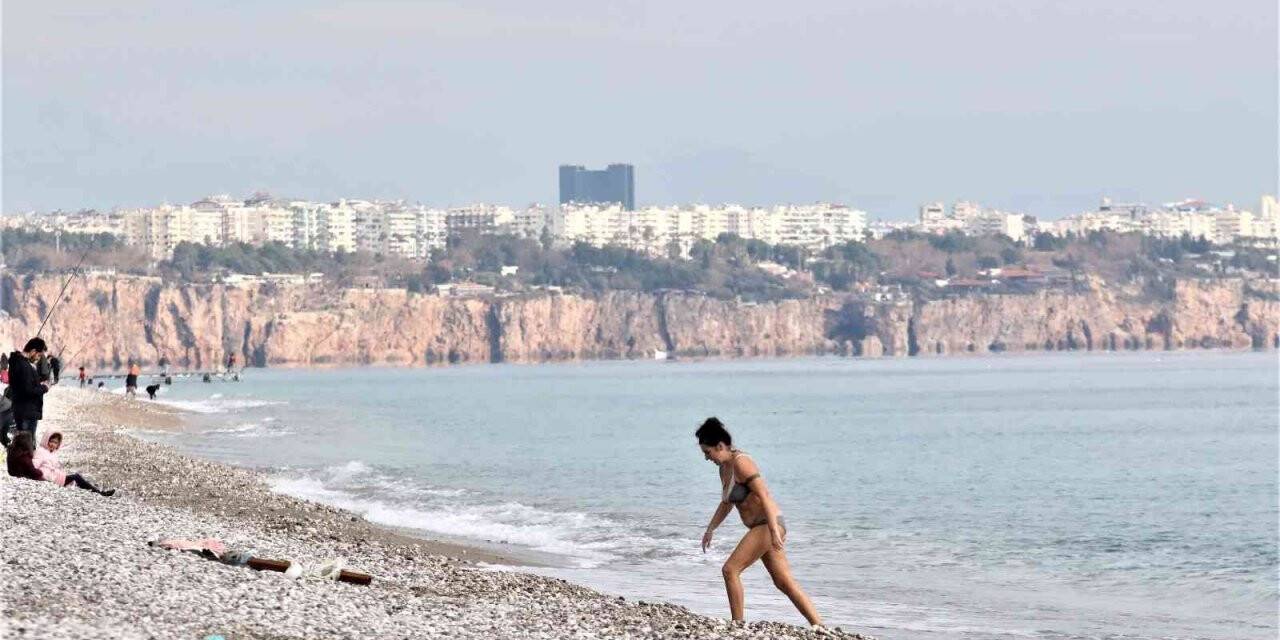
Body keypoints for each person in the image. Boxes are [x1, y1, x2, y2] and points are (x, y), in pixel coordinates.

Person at [696, 417, 823, 628]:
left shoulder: (741, 462)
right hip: (761, 527)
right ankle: (820, 627)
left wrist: (774, 529)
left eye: (707, 452)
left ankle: (737, 626)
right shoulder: (724, 469)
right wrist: (711, 528)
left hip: (768, 524)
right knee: (784, 582)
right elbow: (727, 502)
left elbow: (764, 494)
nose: (707, 458)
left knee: (730, 570)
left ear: (720, 446)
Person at [33, 431, 115, 496]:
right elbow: (34, 466)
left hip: (53, 478)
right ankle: (99, 493)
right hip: (49, 479)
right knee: (76, 477)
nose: (53, 444)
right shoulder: (41, 451)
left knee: (78, 478)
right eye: (51, 441)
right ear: (46, 440)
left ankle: (97, 491)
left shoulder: (52, 453)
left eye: (55, 443)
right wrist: (42, 476)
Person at [8, 338, 51, 438]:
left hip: (22, 411)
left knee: (23, 445)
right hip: (27, 413)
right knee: (26, 446)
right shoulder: (24, 366)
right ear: (33, 351)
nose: (38, 359)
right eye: (39, 355)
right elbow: (28, 391)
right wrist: (45, 387)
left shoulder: (17, 362)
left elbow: (24, 386)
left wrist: (38, 383)